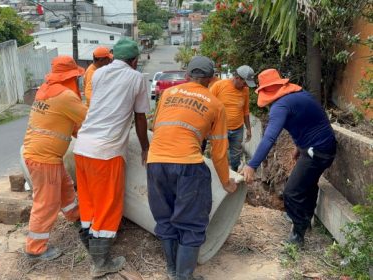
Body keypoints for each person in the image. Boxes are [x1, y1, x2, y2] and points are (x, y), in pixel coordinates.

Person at [147, 56, 237, 280]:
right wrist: (226, 182)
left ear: (186, 76)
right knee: (191, 223)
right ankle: (183, 276)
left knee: (165, 218)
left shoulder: (168, 94)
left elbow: (155, 125)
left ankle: (172, 271)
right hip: (187, 166)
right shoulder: (215, 104)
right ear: (211, 79)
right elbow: (218, 151)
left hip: (155, 162)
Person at [73, 38, 150, 278]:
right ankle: (101, 262)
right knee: (108, 205)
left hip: (82, 147)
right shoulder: (137, 78)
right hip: (106, 153)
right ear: (135, 60)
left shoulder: (97, 74)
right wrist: (146, 148)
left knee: (88, 201)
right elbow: (140, 118)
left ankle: (90, 244)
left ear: (114, 57)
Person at [241, 69, 336, 247]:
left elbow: (269, 138)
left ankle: (298, 234)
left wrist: (252, 165)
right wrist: (299, 148)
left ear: (265, 91)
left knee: (292, 192)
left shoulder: (280, 106)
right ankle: (305, 219)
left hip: (317, 151)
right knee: (308, 184)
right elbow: (306, 123)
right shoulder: (299, 95)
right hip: (323, 146)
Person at [22, 56, 88, 260]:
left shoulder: (45, 89)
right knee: (46, 202)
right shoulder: (66, 96)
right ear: (70, 76)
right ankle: (35, 248)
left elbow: (66, 121)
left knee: (65, 187)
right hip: (44, 158)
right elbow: (89, 119)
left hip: (40, 154)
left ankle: (74, 216)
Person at [209, 65, 256, 171]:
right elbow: (208, 105)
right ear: (237, 77)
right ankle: (218, 175)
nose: (245, 86)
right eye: (244, 83)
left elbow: (246, 111)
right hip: (220, 128)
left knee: (236, 155)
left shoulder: (245, 91)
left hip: (238, 129)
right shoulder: (219, 86)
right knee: (219, 153)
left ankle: (233, 172)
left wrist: (248, 129)